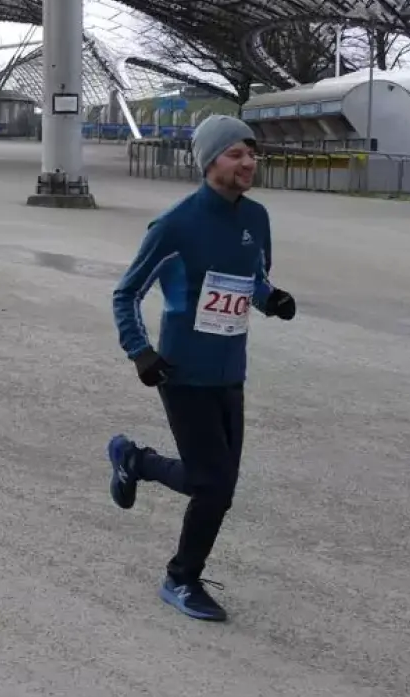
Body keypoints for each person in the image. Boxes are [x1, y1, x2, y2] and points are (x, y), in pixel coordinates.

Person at [106, 115, 298, 622]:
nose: (249, 163)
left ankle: (134, 460)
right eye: (236, 154)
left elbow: (252, 279)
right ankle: (181, 579)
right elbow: (126, 293)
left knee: (214, 483)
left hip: (230, 370)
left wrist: (270, 299)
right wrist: (140, 352)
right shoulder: (175, 225)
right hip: (181, 372)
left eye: (252, 154)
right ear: (210, 161)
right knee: (213, 487)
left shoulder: (256, 219)